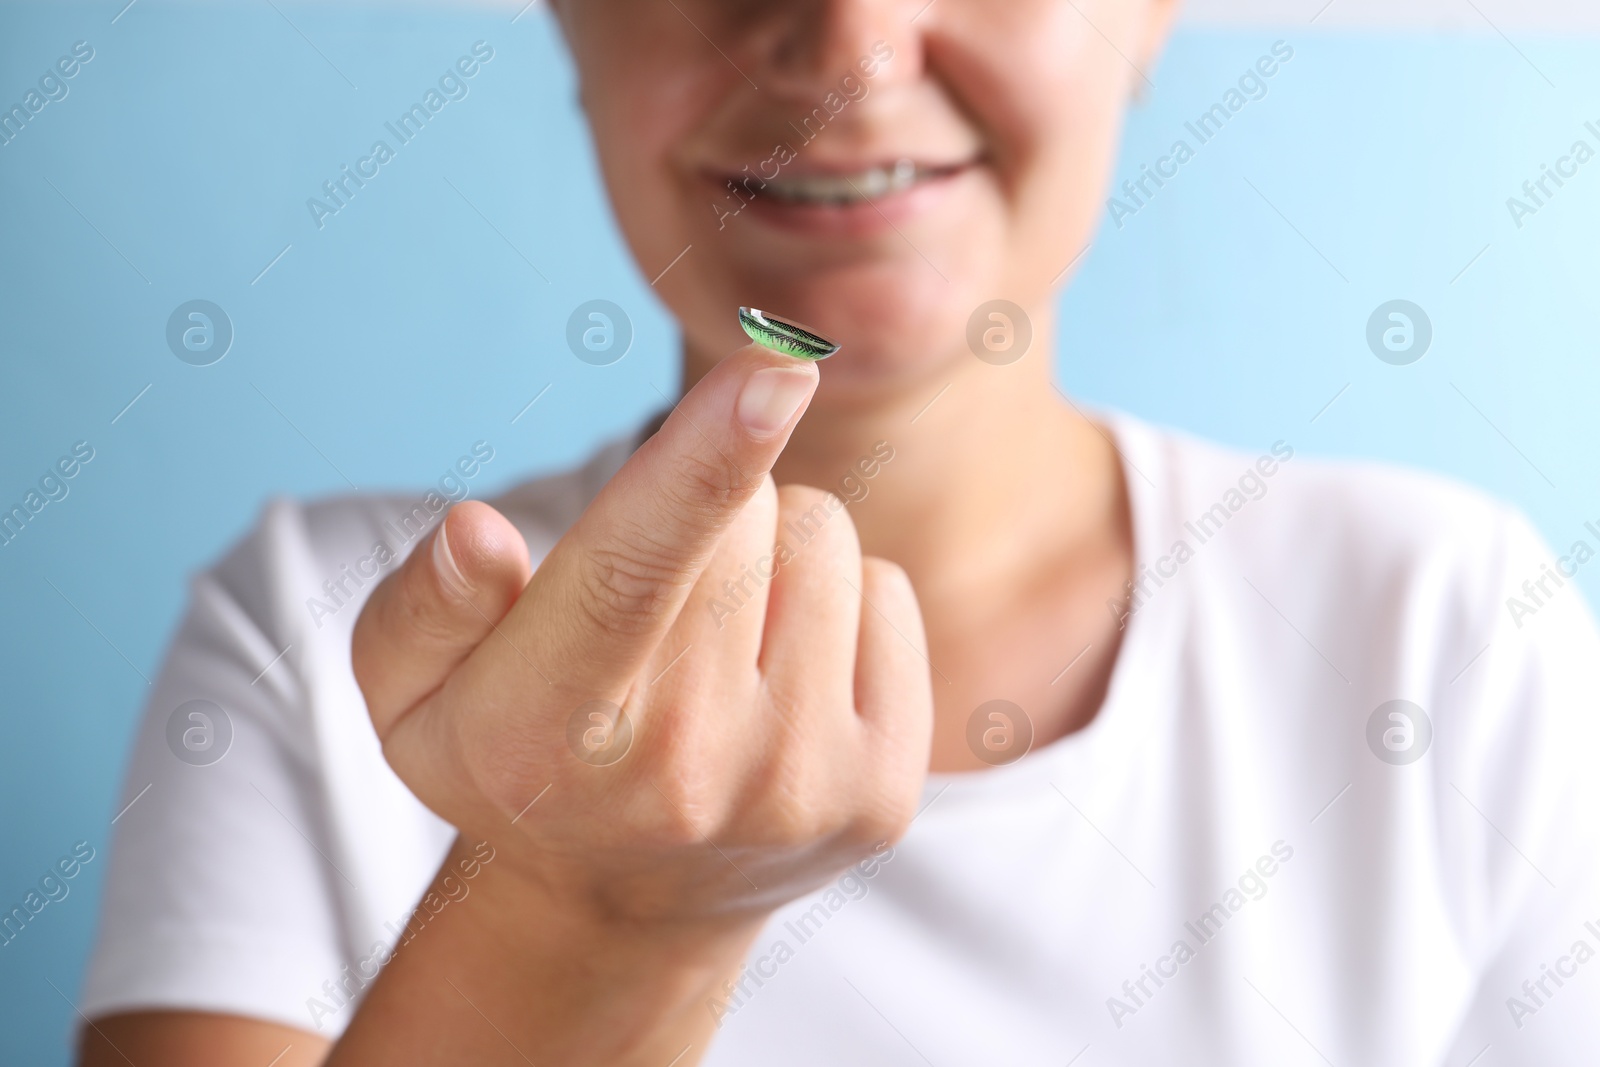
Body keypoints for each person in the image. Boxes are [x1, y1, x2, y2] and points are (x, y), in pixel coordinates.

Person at [78, 0, 1600, 1063]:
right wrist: (591, 922)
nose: (854, 53)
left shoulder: (1448, 625)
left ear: (1150, 10)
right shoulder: (320, 626)